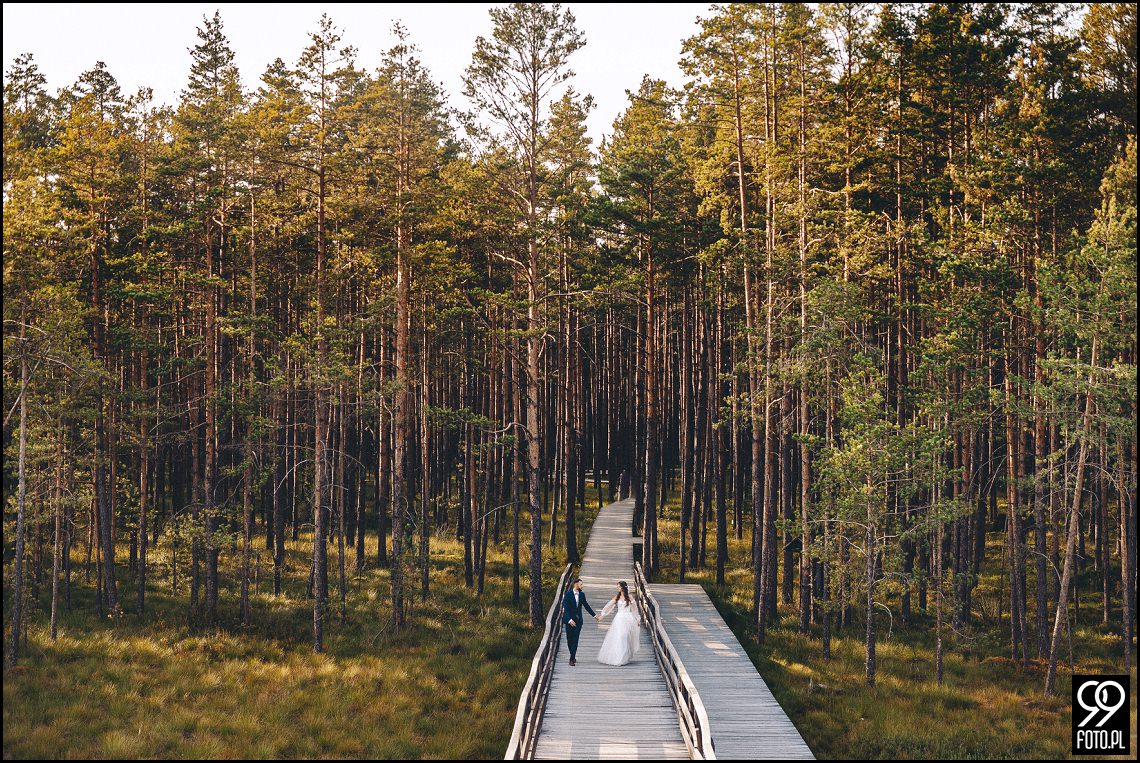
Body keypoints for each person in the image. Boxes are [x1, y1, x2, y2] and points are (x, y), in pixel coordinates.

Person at [595, 580, 640, 666]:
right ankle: (618, 657)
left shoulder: (629, 597)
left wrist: (637, 618)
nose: (617, 588)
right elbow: (609, 606)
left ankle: (624, 657)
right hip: (619, 619)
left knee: (625, 636)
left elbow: (634, 609)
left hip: (628, 618)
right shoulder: (617, 597)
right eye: (617, 586)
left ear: (623, 587)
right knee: (619, 636)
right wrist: (602, 615)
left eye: (619, 586)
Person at [562, 577, 595, 666]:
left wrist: (594, 615)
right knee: (569, 639)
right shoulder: (568, 594)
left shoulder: (582, 595)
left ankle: (572, 658)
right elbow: (566, 609)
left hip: (578, 621)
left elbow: (586, 606)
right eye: (581, 584)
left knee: (575, 639)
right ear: (576, 584)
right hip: (569, 620)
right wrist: (570, 620)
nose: (582, 585)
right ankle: (572, 655)